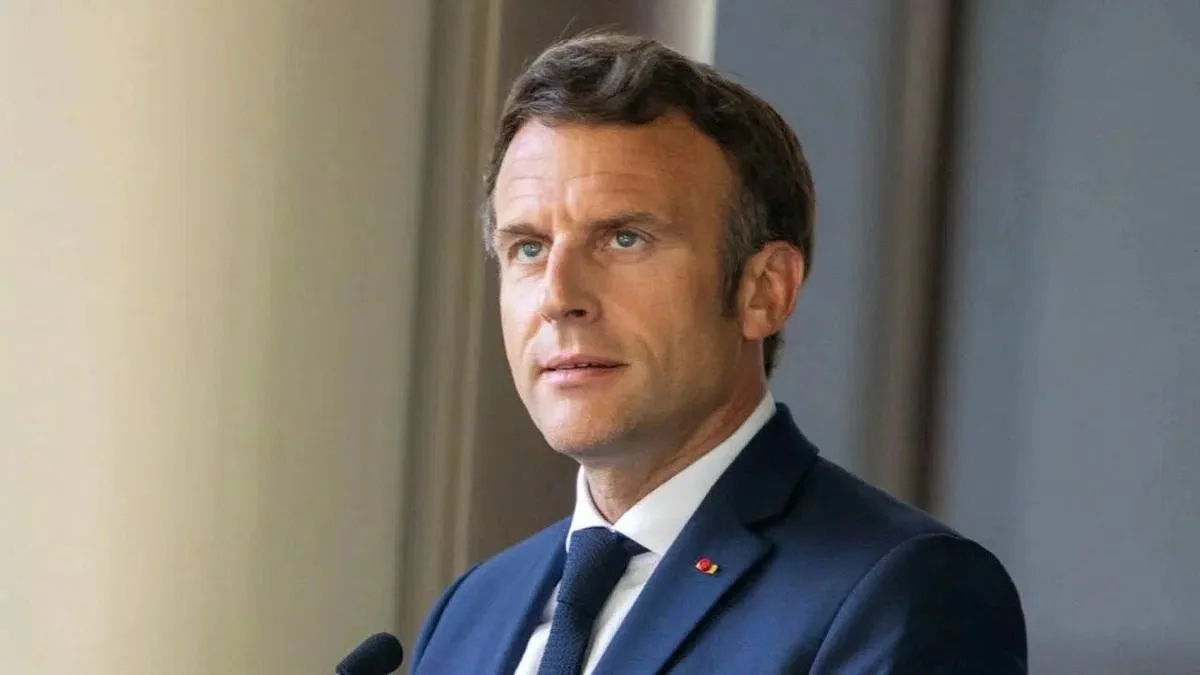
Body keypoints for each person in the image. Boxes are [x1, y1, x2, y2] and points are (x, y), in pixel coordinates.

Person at [410, 32, 1027, 674]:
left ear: (764, 291)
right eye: (529, 248)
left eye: (624, 239)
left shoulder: (903, 592)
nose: (558, 297)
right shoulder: (471, 610)